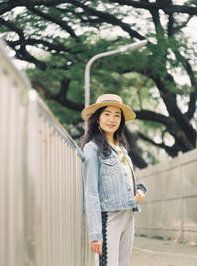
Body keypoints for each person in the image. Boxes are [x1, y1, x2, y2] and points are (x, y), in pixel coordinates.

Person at [81, 94, 147, 266]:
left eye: (117, 115)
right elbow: (91, 192)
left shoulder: (121, 149)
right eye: (107, 114)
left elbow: (124, 182)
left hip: (128, 215)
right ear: (97, 119)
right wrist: (96, 234)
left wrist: (138, 191)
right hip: (109, 218)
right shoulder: (92, 149)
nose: (112, 119)